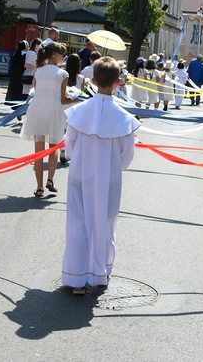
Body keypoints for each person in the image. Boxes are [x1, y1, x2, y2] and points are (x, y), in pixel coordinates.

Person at [61, 56, 140, 294]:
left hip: (80, 173)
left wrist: (82, 160)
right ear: (118, 82)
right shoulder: (124, 118)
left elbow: (69, 148)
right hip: (110, 177)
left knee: (78, 221)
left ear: (93, 81)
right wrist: (115, 165)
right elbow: (127, 155)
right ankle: (99, 273)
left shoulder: (79, 112)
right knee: (105, 223)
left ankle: (76, 277)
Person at [20, 42, 76, 197]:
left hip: (37, 110)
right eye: (63, 55)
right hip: (53, 110)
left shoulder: (38, 71)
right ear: (55, 55)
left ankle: (39, 187)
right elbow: (63, 99)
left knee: (38, 151)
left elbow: (37, 92)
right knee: (54, 147)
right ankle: (50, 179)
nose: (63, 58)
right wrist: (76, 99)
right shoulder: (63, 74)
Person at [5, 40, 28, 105]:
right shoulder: (25, 55)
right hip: (22, 76)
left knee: (14, 89)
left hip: (14, 75)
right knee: (21, 91)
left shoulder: (15, 54)